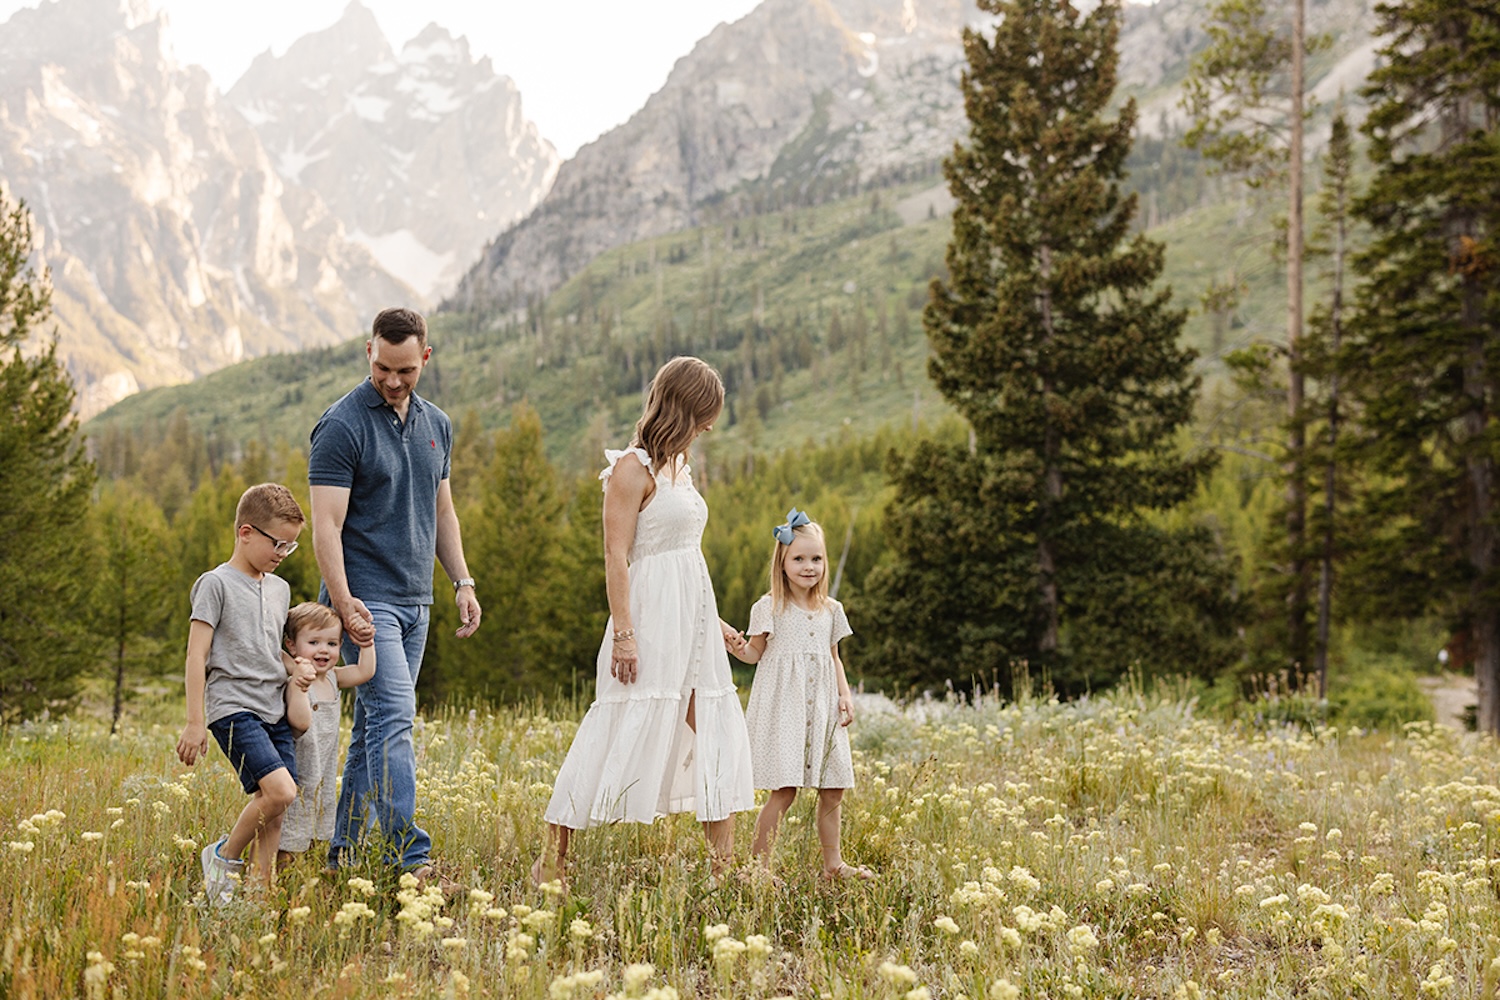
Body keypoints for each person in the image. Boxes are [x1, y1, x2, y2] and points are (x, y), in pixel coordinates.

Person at [535, 356, 755, 884]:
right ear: (681, 408)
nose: (708, 426)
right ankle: (552, 861)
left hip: (693, 619)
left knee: (714, 733)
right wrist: (625, 636)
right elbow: (618, 556)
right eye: (705, 415)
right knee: (614, 727)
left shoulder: (682, 466)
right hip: (648, 619)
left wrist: (714, 621)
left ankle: (723, 868)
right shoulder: (632, 468)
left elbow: (684, 554)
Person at [308, 306, 482, 881]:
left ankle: (344, 854)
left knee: (376, 728)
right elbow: (326, 526)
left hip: (416, 602)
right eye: (383, 367)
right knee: (397, 717)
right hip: (364, 599)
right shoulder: (342, 425)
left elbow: (442, 509)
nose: (393, 380)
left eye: (405, 370)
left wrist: (462, 581)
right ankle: (412, 856)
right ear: (369, 353)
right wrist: (343, 602)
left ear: (425, 358)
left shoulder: (438, 424)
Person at [176, 483, 315, 903]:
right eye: (278, 544)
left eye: (290, 548)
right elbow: (196, 656)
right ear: (246, 532)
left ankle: (258, 895)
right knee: (280, 791)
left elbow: (269, 648)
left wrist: (297, 666)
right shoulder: (214, 584)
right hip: (233, 708)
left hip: (273, 708)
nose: (282, 554)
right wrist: (195, 722)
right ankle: (223, 856)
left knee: (273, 805)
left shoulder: (279, 589)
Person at [736, 508, 873, 880]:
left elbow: (834, 658)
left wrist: (844, 695)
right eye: (799, 558)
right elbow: (753, 654)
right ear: (782, 563)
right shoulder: (770, 607)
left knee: (834, 788)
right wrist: (733, 642)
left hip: (825, 707)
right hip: (786, 709)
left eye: (816, 558)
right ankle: (758, 868)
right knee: (785, 790)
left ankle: (834, 865)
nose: (809, 566)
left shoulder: (832, 610)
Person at [277, 602, 377, 870]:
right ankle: (279, 875)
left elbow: (364, 672)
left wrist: (367, 642)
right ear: (292, 646)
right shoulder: (296, 682)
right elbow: (298, 721)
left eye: (332, 644)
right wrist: (300, 684)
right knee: (290, 832)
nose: (324, 650)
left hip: (323, 769)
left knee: (313, 829)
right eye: (314, 642)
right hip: (300, 767)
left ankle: (302, 877)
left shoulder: (332, 677)